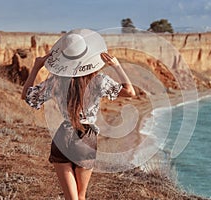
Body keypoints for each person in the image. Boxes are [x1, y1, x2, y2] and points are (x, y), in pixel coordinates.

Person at [21, 29, 135, 200]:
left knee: (71, 198)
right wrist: (117, 66)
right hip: (86, 139)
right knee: (80, 197)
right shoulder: (99, 80)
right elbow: (130, 92)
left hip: (62, 137)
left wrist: (36, 67)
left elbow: (26, 96)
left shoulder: (55, 81)